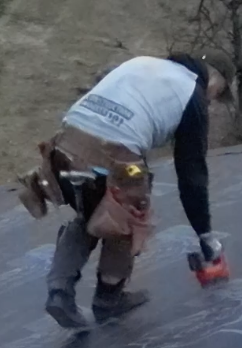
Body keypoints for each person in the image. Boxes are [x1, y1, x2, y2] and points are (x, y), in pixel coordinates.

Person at [20, 53, 230, 330]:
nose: (211, 101)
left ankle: (60, 291)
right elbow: (192, 175)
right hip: (114, 155)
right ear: (213, 78)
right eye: (217, 93)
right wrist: (205, 235)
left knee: (88, 213)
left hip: (63, 147)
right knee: (127, 217)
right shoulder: (192, 92)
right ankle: (108, 299)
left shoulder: (143, 63)